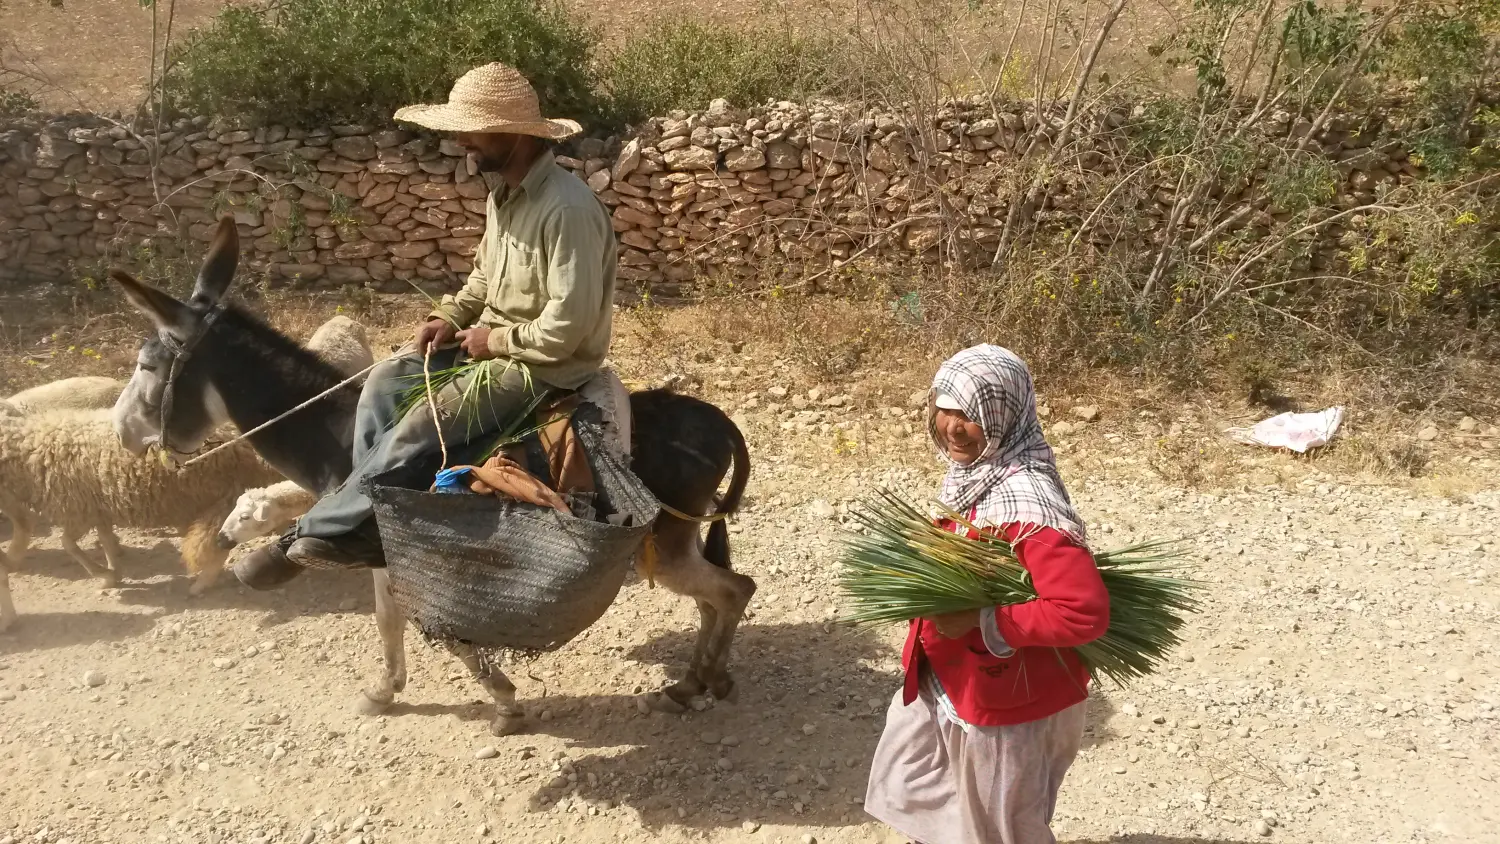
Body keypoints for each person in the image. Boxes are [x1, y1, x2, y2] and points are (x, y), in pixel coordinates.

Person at [233, 63, 617, 588]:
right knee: (385, 381)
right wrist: (450, 316)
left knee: (421, 423)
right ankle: (369, 514)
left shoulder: (567, 210)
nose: (461, 141)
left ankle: (308, 534)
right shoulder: (502, 196)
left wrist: (492, 339)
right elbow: (484, 278)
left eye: (471, 129)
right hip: (490, 344)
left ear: (513, 135)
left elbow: (565, 331)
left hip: (544, 366)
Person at [864, 344, 1110, 844]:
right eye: (945, 407)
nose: (951, 425)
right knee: (926, 790)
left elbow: (1083, 612)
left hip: (1009, 698)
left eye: (971, 414)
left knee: (1000, 828)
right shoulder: (976, 476)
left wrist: (983, 621)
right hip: (956, 678)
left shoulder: (1028, 505)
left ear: (1003, 415)